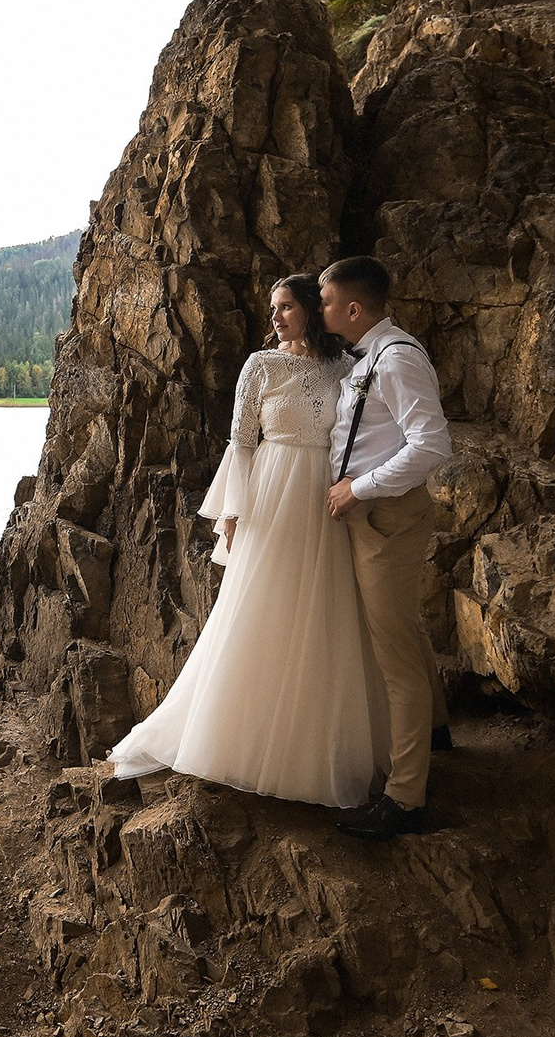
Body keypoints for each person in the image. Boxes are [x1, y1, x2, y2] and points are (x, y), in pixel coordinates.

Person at [106, 275, 390, 807]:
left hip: (322, 498)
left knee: (323, 613)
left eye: (286, 307)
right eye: (272, 308)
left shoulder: (345, 369)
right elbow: (240, 444)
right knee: (260, 608)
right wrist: (232, 512)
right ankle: (235, 737)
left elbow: (357, 434)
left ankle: (310, 746)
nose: (276, 317)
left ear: (311, 309)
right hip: (270, 494)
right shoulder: (260, 366)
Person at [319, 255, 454, 840]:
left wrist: (360, 487)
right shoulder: (369, 355)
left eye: (325, 301)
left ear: (353, 308)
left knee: (393, 655)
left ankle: (405, 800)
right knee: (403, 626)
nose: (321, 310)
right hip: (377, 514)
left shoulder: (397, 358)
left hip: (386, 517)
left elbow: (432, 445)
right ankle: (438, 732)